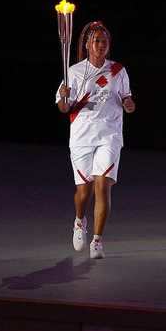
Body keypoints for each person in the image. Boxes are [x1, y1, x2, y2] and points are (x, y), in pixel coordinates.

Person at [56, 21, 135, 259]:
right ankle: (80, 220)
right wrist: (64, 96)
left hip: (109, 135)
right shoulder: (74, 71)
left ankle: (97, 240)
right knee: (84, 191)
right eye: (96, 41)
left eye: (104, 41)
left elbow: (127, 100)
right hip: (81, 137)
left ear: (108, 45)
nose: (100, 45)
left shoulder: (118, 71)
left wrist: (129, 105)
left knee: (103, 186)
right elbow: (62, 108)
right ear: (88, 44)